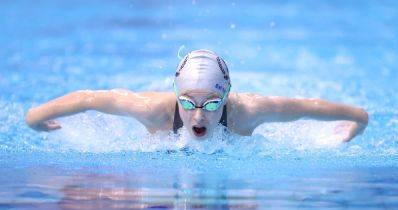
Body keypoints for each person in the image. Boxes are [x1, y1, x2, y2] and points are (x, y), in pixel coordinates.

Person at [25, 49, 368, 142]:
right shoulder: (152, 110)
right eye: (188, 102)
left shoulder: (249, 111)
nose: (199, 114)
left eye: (212, 103)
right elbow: (89, 98)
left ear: (227, 96)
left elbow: (307, 107)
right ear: (175, 95)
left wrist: (358, 120)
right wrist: (34, 119)